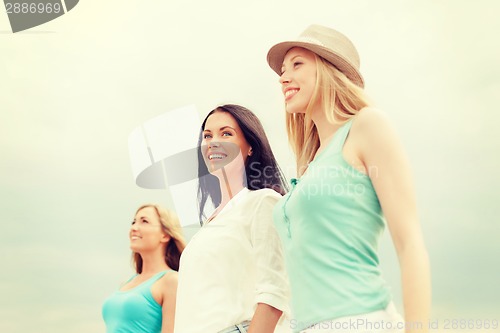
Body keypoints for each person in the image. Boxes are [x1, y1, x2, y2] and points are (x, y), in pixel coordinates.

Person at [266, 25, 431, 332]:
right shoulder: (311, 163)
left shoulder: (367, 126)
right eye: (283, 70)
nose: (283, 77)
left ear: (329, 71)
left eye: (297, 64)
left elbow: (410, 242)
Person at [174, 104, 290, 333]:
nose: (213, 142)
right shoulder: (210, 222)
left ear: (250, 147)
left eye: (226, 133)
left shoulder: (263, 202)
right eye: (207, 136)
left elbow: (275, 294)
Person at [102, 204, 186, 333]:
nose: (134, 228)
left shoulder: (171, 281)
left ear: (165, 235)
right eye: (133, 222)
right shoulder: (126, 283)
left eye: (144, 221)